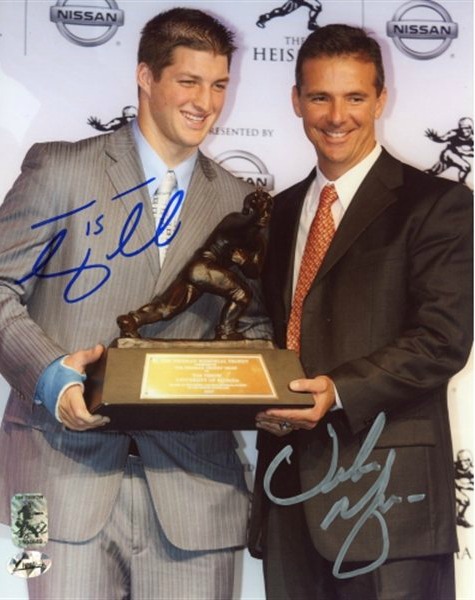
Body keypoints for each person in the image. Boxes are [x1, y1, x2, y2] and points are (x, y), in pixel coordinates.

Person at [0, 8, 271, 599]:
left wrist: (268, 386)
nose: (206, 102)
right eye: (189, 81)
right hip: (48, 486)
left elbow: (251, 324)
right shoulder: (59, 168)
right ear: (145, 76)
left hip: (198, 496)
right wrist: (52, 379)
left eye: (219, 84)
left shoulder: (241, 201)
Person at [250, 24, 473, 600]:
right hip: (287, 496)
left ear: (380, 99)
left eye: (354, 97)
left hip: (389, 501)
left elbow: (442, 339)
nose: (336, 116)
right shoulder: (275, 214)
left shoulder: (439, 205)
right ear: (296, 101)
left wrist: (337, 390)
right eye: (319, 97)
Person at [117, 187, 273, 340]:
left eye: (268, 211)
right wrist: (254, 213)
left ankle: (132, 321)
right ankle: (226, 330)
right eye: (261, 210)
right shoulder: (233, 221)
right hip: (202, 266)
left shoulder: (258, 243)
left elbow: (254, 272)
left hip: (202, 272)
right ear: (249, 210)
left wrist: (244, 261)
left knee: (168, 307)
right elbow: (242, 223)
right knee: (241, 294)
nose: (265, 216)